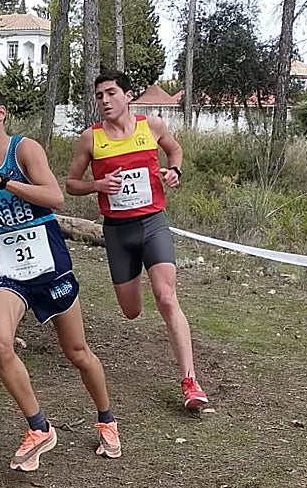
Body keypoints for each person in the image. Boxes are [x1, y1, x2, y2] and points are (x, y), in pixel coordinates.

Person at [0, 82, 120, 471]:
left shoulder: (25, 150)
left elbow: (55, 196)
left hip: (48, 263)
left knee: (77, 353)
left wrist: (1, 181)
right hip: (7, 269)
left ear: (0, 113)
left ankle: (107, 419)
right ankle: (39, 427)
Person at [65, 68, 210, 412]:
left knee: (166, 296)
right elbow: (71, 183)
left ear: (128, 96)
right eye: (99, 95)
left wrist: (175, 171)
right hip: (117, 232)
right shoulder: (91, 138)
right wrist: (96, 186)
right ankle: (139, 276)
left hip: (152, 224)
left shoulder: (152, 126)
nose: (104, 100)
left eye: (111, 93)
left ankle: (190, 382)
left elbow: (175, 152)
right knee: (131, 311)